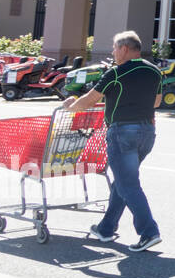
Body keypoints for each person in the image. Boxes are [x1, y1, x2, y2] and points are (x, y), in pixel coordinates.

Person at [62, 30, 163, 251]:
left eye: (115, 48)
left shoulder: (116, 73)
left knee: (128, 184)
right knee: (122, 181)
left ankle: (149, 232)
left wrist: (70, 106)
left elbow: (89, 100)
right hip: (147, 132)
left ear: (125, 49)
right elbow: (156, 102)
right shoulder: (154, 71)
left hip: (122, 133)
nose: (113, 52)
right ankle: (106, 228)